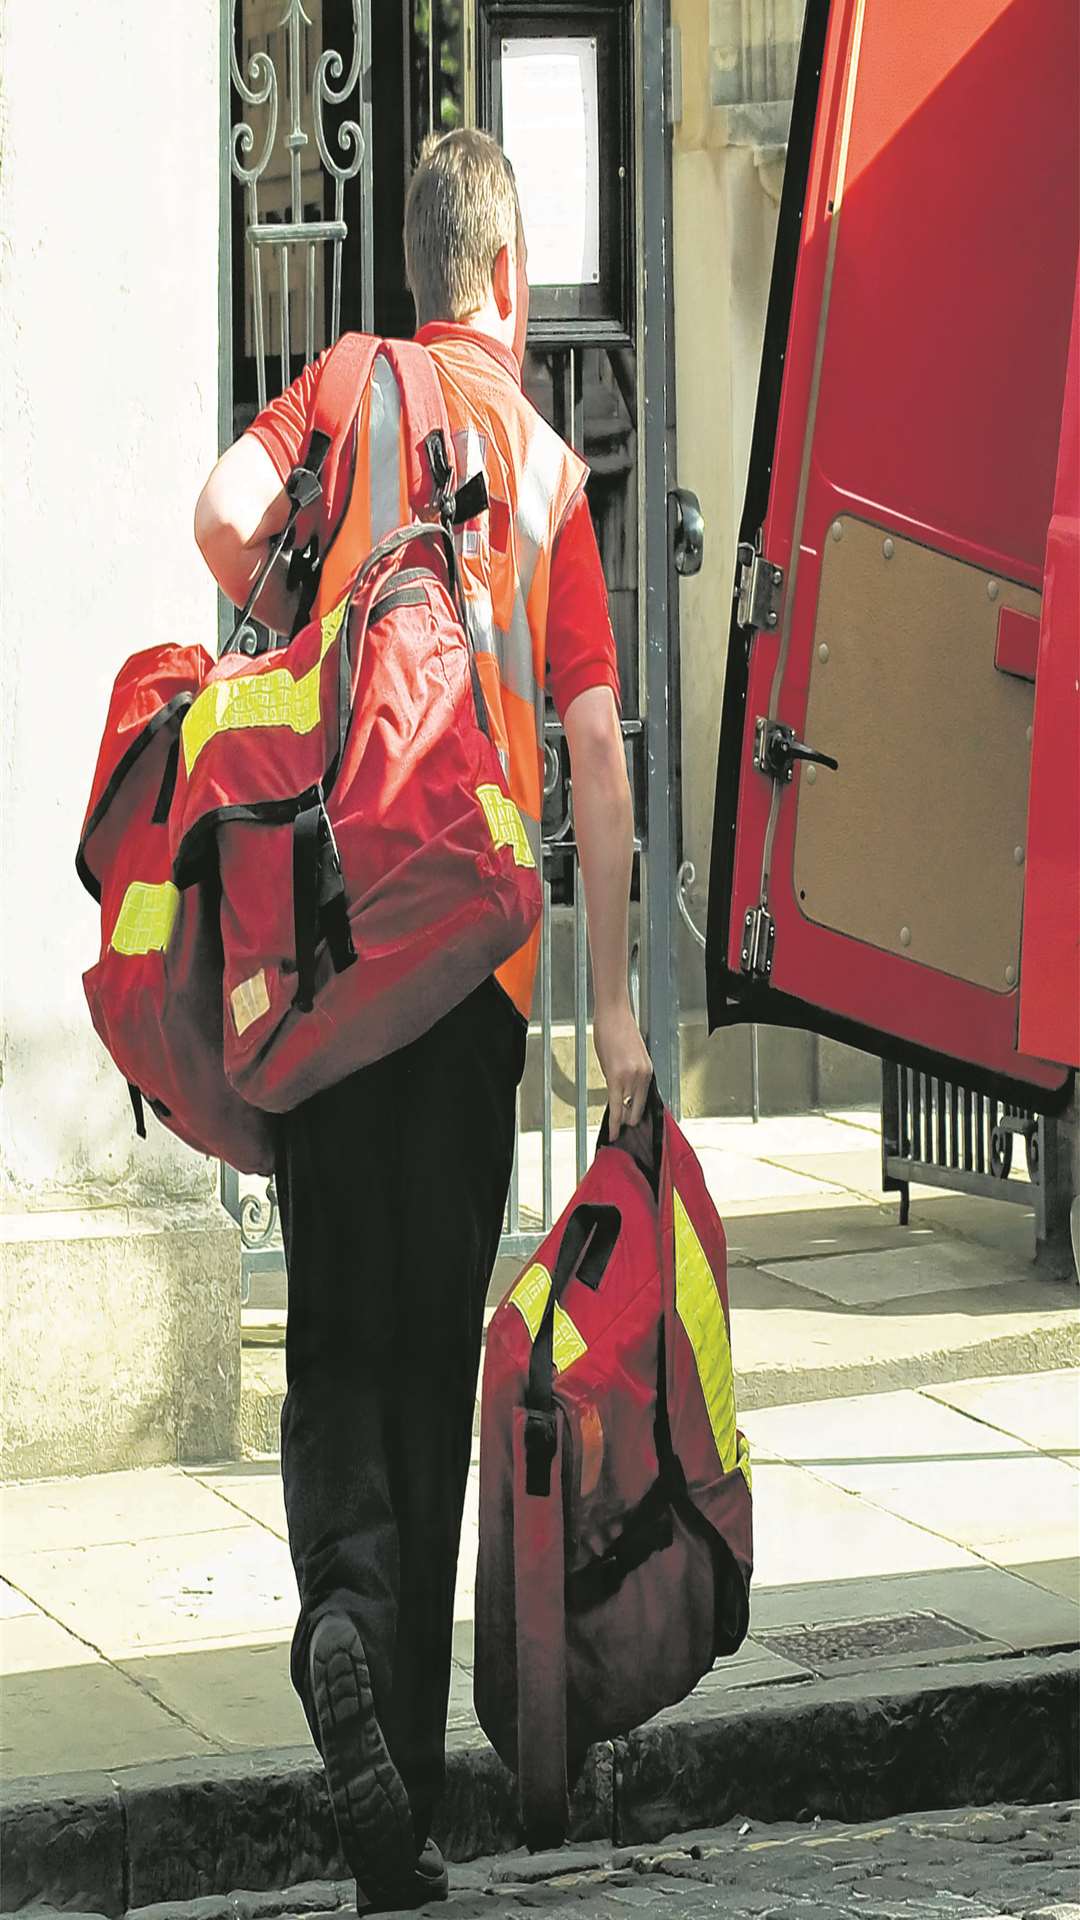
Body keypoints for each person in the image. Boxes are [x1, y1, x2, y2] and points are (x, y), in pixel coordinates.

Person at [194, 128, 652, 1911]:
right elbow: (598, 753)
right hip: (476, 979)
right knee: (428, 1348)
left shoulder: (341, 389)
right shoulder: (544, 468)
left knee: (330, 1342)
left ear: (415, 278)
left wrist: (306, 599)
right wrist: (614, 1012)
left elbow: (223, 516)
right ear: (516, 286)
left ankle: (343, 1614)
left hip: (321, 950)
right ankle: (403, 1804)